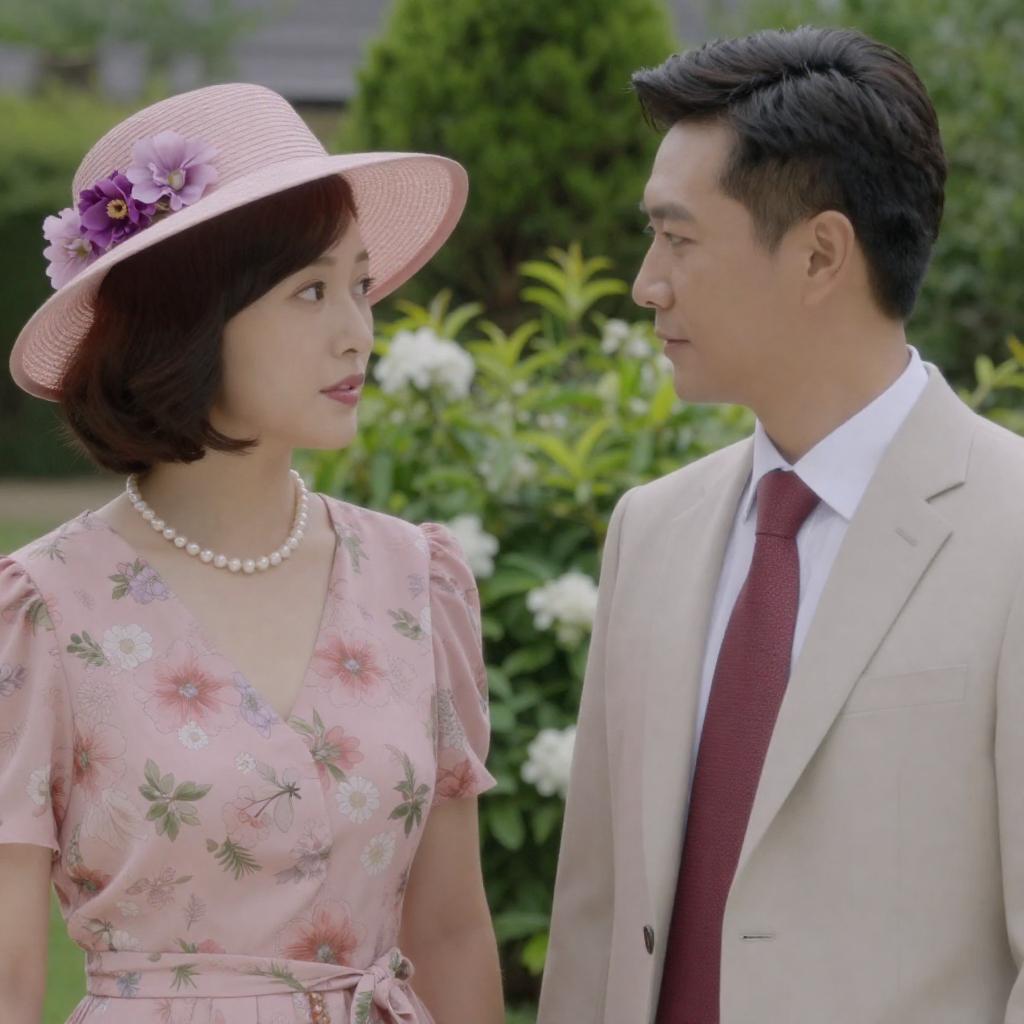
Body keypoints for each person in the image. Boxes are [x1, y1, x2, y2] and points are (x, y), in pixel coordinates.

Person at [539, 25, 1024, 1024]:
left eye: (677, 238)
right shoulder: (649, 530)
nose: (645, 282)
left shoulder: (1008, 527)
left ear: (819, 254)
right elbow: (594, 923)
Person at [0, 82, 505, 1024]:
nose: (358, 332)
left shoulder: (415, 582)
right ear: (190, 319)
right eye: (311, 291)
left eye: (360, 286)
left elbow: (449, 931)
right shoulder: (47, 612)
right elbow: (9, 978)